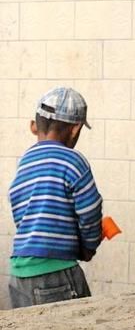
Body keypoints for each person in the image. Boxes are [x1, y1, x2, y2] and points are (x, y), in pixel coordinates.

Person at [8, 86, 103, 308]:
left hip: (18, 274)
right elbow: (90, 211)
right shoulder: (73, 161)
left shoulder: (25, 162)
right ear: (75, 129)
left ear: (34, 126)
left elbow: (20, 211)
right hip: (56, 273)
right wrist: (89, 246)